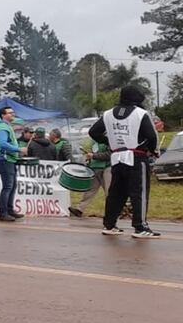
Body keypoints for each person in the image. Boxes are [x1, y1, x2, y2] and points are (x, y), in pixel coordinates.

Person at [88, 85, 161, 238]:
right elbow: (152, 135)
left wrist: (109, 141)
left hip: (117, 157)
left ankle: (109, 225)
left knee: (116, 193)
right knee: (139, 192)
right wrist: (154, 151)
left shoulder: (108, 114)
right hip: (136, 156)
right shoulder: (140, 113)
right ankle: (140, 227)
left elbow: (93, 132)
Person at [0, 107, 27, 222]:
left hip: (10, 159)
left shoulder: (7, 126)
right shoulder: (2, 127)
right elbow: (2, 144)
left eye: (13, 112)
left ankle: (10, 210)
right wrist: (19, 149)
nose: (13, 114)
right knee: (7, 187)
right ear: (3, 115)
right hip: (5, 159)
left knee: (12, 186)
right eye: (10, 113)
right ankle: (3, 213)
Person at [69, 138, 111, 217]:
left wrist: (94, 156)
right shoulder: (94, 141)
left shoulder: (108, 140)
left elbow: (109, 155)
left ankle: (111, 212)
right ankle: (79, 209)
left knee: (109, 191)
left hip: (106, 168)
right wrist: (89, 158)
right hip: (95, 168)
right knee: (90, 190)